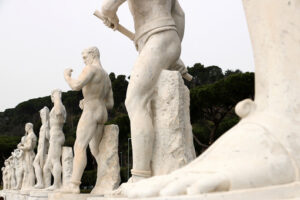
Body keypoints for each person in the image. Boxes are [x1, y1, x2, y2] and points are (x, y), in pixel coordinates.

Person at [101, 0, 183, 182]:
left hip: (156, 37)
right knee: (143, 100)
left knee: (135, 101)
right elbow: (179, 14)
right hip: (165, 36)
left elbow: (107, 7)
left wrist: (111, 16)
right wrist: (176, 47)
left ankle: (140, 176)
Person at [60, 46, 114, 193]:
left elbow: (76, 85)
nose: (84, 61)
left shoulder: (91, 69)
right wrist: (91, 99)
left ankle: (74, 185)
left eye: (84, 57)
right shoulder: (106, 76)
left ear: (92, 54)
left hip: (91, 111)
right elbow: (110, 104)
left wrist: (66, 76)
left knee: (79, 146)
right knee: (96, 151)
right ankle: (106, 181)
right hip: (102, 112)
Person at [43, 90, 66, 190]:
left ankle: (57, 184)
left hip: (57, 135)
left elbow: (59, 113)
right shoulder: (56, 107)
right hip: (54, 136)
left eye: (52, 96)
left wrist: (57, 96)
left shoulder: (59, 106)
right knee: (48, 165)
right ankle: (57, 182)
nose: (52, 99)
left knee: (55, 160)